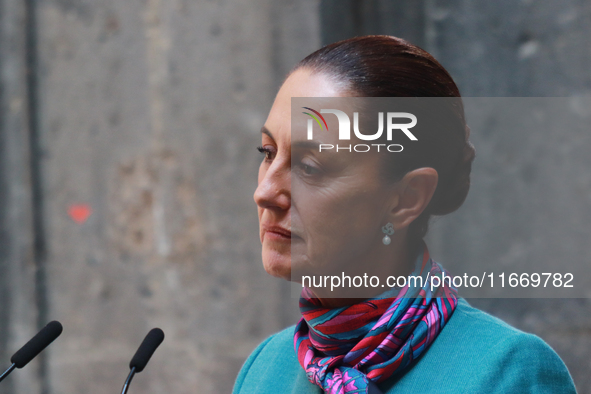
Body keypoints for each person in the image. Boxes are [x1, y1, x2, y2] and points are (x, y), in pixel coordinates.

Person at [233, 36, 577, 394]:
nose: (265, 193)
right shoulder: (265, 369)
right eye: (268, 152)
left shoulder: (509, 372)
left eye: (309, 166)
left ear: (406, 198)